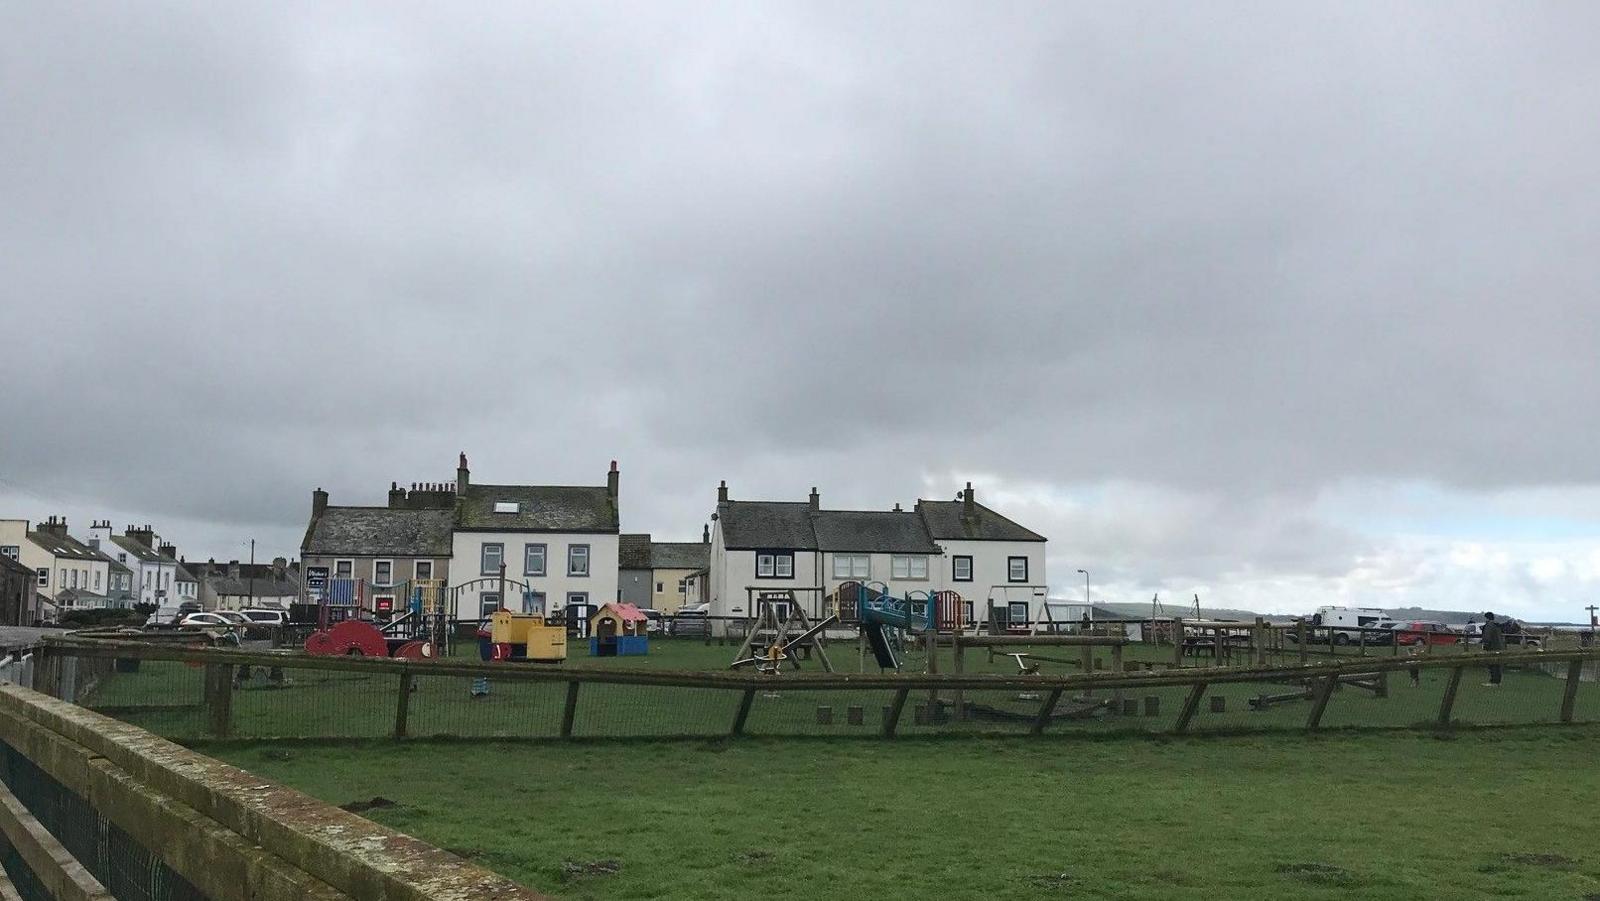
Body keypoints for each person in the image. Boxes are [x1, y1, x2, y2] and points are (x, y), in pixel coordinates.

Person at [1481, 611, 1504, 687]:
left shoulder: (1489, 625)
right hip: (1499, 647)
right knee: (1497, 665)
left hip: (1492, 647)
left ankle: (1493, 681)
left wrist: (1485, 645)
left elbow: (1487, 637)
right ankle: (1498, 681)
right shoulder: (1497, 625)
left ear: (1487, 618)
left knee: (1492, 664)